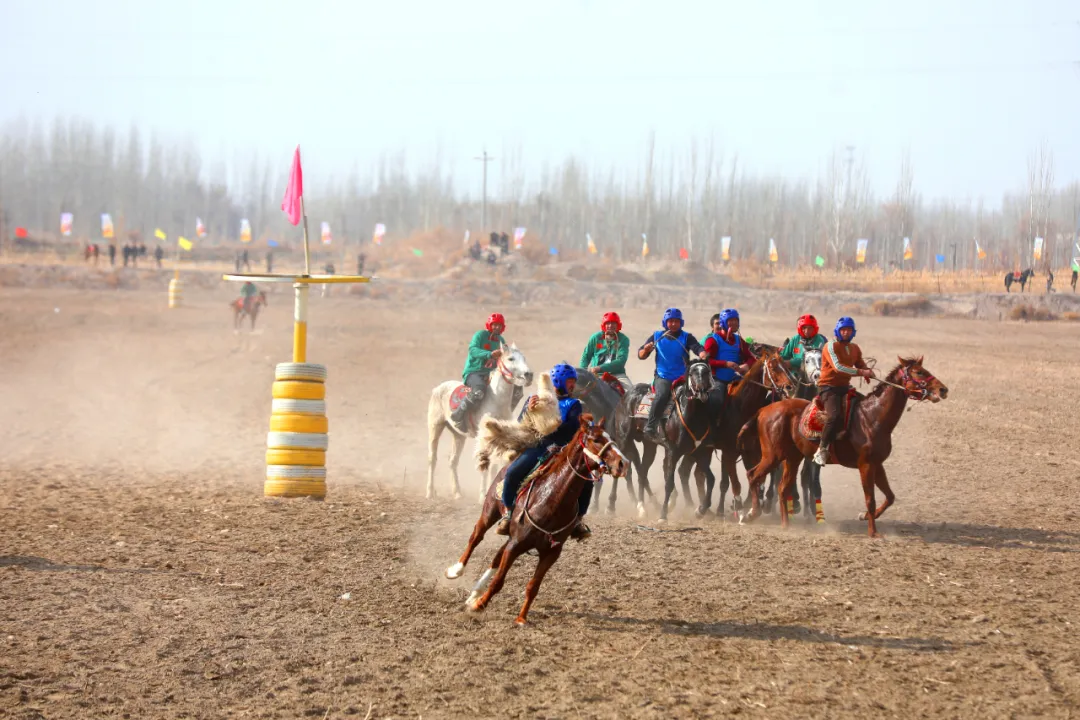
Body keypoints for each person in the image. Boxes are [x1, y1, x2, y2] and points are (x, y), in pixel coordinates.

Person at [496, 363, 590, 539]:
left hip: (563, 450)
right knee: (512, 472)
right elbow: (521, 423)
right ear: (559, 381)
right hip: (539, 447)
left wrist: (555, 424)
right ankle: (508, 514)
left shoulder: (574, 403)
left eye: (573, 381)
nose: (573, 385)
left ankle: (578, 520)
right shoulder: (535, 398)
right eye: (570, 381)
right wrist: (528, 409)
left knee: (587, 480)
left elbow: (573, 428)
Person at [638, 308, 708, 444]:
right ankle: (651, 426)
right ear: (665, 323)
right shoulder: (657, 336)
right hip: (663, 376)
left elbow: (697, 347)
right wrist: (645, 350)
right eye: (670, 321)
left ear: (681, 323)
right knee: (663, 394)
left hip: (682, 377)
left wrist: (702, 354)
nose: (673, 324)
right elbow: (641, 355)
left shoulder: (687, 337)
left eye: (676, 321)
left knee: (700, 395)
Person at [814, 317, 874, 466]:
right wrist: (861, 372)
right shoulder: (830, 346)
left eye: (849, 330)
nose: (846, 332)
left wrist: (867, 371)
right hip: (828, 388)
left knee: (865, 407)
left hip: (844, 387)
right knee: (833, 416)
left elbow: (860, 362)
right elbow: (838, 367)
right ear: (837, 331)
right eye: (843, 330)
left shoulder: (854, 348)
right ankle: (821, 449)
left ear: (853, 332)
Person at [451, 313, 507, 433]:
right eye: (494, 325)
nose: (497, 327)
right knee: (479, 389)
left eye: (499, 325)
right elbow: (473, 349)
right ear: (489, 325)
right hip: (474, 372)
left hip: (491, 374)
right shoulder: (480, 335)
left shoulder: (501, 340)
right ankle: (458, 414)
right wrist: (490, 354)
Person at [703, 309, 756, 414]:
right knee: (716, 400)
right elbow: (706, 361)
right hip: (717, 379)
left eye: (736, 320)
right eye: (731, 321)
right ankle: (713, 427)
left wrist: (746, 365)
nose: (735, 323)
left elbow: (751, 358)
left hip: (736, 379)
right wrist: (726, 364)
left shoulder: (739, 340)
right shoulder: (712, 340)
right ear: (723, 323)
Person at [580, 311, 631, 391]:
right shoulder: (595, 338)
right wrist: (583, 372)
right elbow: (586, 356)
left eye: (613, 323)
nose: (610, 326)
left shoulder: (623, 339)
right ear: (603, 325)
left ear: (618, 325)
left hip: (618, 375)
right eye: (608, 323)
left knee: (631, 392)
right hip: (596, 375)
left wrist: (600, 368)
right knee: (579, 393)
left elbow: (621, 361)